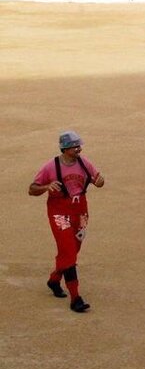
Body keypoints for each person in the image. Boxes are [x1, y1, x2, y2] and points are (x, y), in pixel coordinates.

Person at [28, 131, 105, 313]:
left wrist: (100, 181)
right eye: (75, 146)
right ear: (64, 148)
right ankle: (75, 298)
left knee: (73, 249)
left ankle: (54, 279)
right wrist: (47, 186)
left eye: (79, 145)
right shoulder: (50, 167)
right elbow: (32, 189)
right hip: (59, 212)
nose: (79, 148)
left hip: (80, 212)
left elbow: (98, 180)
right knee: (68, 250)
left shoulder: (84, 163)